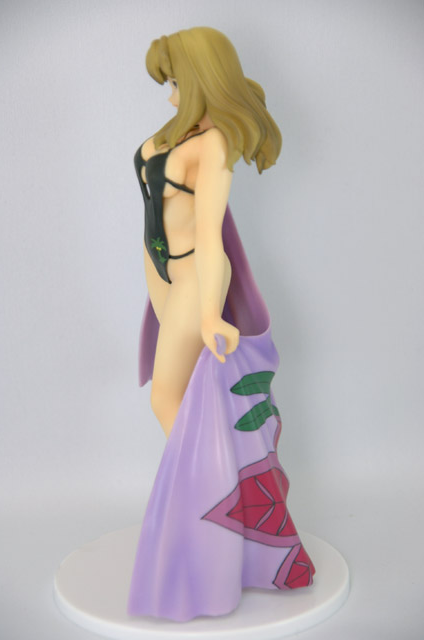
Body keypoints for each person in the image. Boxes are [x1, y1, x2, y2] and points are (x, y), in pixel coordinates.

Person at [128, 27, 315, 622]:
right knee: (190, 407)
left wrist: (210, 312)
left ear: (201, 79)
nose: (169, 94)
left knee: (167, 401)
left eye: (176, 81)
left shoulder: (213, 144)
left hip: (191, 284)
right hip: (162, 287)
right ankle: (226, 509)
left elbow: (210, 237)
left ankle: (210, 510)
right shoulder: (175, 133)